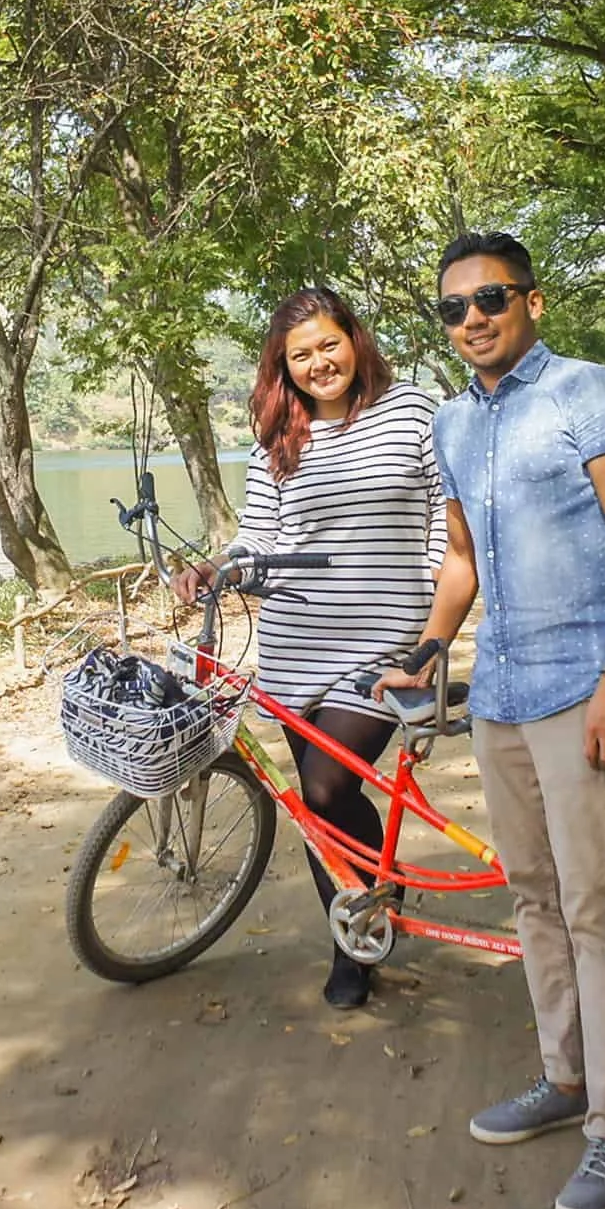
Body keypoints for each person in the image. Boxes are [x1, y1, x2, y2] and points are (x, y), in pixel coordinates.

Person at [381, 230, 605, 1209]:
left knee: (596, 911)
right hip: (497, 693)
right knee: (534, 900)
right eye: (452, 307)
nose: (472, 319)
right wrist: (429, 647)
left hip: (583, 688)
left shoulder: (586, 391)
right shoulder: (453, 423)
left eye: (490, 298)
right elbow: (461, 558)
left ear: (531, 301)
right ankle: (565, 1076)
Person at [174, 286, 443, 1010]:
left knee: (327, 787)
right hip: (296, 642)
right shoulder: (280, 437)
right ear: (283, 365)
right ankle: (353, 934)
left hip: (386, 641)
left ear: (354, 340)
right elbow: (260, 538)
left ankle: (371, 906)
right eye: (301, 355)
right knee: (318, 808)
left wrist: (430, 622)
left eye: (329, 344)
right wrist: (219, 567)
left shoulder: (413, 412)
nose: (319, 363)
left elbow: (445, 522)